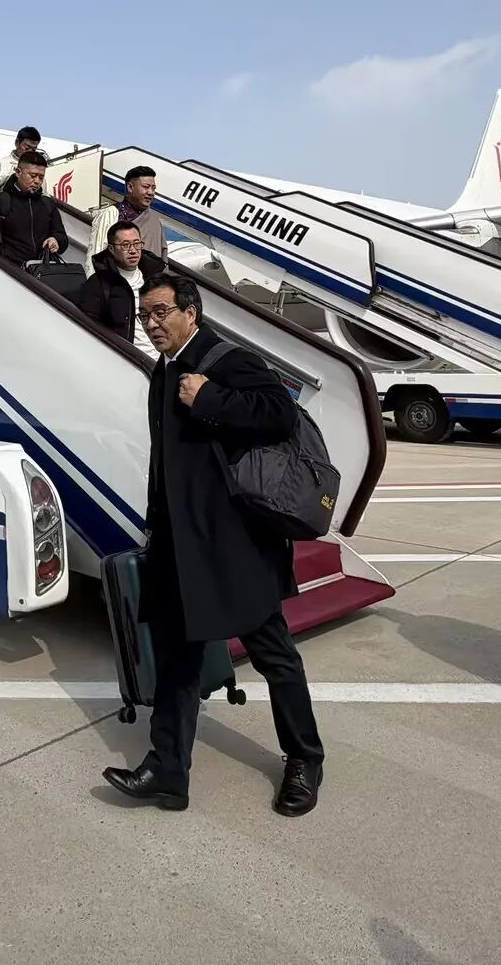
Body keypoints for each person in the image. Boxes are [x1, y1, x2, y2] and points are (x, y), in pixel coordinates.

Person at [101, 273, 324, 817]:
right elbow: (166, 461)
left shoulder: (227, 360)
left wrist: (212, 399)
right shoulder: (164, 369)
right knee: (177, 658)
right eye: (145, 316)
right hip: (180, 544)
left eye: (161, 313)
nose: (152, 324)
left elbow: (280, 414)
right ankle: (167, 770)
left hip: (234, 544)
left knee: (273, 654)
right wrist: (154, 523)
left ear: (191, 312)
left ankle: (305, 758)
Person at [79, 220, 163, 358]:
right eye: (125, 245)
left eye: (137, 244)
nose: (133, 250)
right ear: (111, 249)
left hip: (163, 357)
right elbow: (88, 328)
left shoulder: (155, 278)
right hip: (130, 360)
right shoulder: (99, 284)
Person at [0, 151, 67, 266]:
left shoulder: (48, 204)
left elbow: (62, 237)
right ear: (18, 172)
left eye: (41, 177)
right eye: (33, 176)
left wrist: (56, 240)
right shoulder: (1, 202)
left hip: (42, 271)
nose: (37, 181)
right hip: (10, 271)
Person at [85, 164, 167, 275]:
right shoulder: (111, 214)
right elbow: (96, 256)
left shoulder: (155, 219)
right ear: (130, 187)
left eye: (153, 188)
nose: (151, 192)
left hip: (151, 283)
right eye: (146, 187)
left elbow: (162, 257)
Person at [0, 126, 43, 216]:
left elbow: (44, 198)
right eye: (27, 147)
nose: (30, 152)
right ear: (17, 142)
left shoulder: (39, 169)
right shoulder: (1, 166)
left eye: (34, 149)